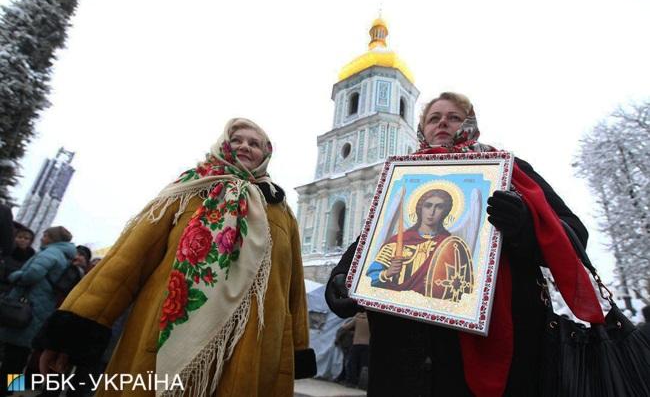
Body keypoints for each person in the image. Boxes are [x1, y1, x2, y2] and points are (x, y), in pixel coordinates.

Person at [325, 92, 604, 396]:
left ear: (470, 123)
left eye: (454, 116)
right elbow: (375, 239)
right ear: (423, 129)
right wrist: (343, 277)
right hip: (399, 362)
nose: (443, 122)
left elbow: (573, 234)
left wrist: (524, 225)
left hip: (487, 355)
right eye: (434, 118)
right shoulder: (403, 178)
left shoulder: (506, 170)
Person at [33, 118, 315, 397]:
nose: (245, 146)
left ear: (266, 153)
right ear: (223, 146)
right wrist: (71, 333)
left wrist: (298, 349)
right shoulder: (189, 189)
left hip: (251, 345)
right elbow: (127, 260)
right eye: (237, 140)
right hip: (166, 335)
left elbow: (292, 286)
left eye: (254, 143)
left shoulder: (280, 211)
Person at [0, 226, 76, 397]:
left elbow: (32, 274)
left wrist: (15, 276)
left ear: (53, 238)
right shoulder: (62, 255)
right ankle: (11, 387)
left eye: (45, 235)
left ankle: (6, 389)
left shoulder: (51, 253)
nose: (42, 238)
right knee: (20, 354)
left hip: (27, 307)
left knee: (14, 355)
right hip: (40, 308)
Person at [366, 188, 473, 300]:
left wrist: (437, 282)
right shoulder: (397, 242)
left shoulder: (449, 246)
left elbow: (459, 283)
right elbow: (369, 277)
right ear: (420, 208)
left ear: (445, 212)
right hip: (392, 304)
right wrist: (387, 273)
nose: (432, 212)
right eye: (428, 205)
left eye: (439, 207)